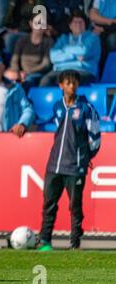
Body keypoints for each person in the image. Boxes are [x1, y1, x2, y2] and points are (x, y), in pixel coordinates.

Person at [38, 70, 101, 251]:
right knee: (49, 204)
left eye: (74, 83)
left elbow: (95, 138)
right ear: (61, 86)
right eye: (68, 83)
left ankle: (75, 243)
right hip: (54, 164)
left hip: (75, 167)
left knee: (75, 206)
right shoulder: (58, 106)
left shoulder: (86, 109)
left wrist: (85, 158)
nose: (71, 86)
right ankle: (45, 241)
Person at [40, 11, 101, 87]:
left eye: (81, 22)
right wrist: (74, 56)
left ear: (85, 24)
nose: (78, 24)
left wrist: (63, 51)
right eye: (75, 22)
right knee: (45, 80)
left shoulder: (92, 37)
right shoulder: (63, 38)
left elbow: (83, 51)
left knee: (65, 80)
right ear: (70, 25)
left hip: (83, 70)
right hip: (59, 70)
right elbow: (53, 56)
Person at [4, 13, 54, 92]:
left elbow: (46, 64)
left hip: (37, 74)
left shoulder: (49, 42)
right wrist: (17, 73)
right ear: (31, 23)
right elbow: (14, 60)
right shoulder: (22, 40)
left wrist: (27, 73)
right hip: (21, 73)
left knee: (28, 82)